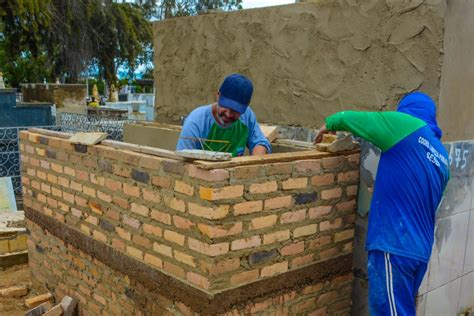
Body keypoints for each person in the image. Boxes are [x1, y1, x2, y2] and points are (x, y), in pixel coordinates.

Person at [314, 92, 449, 316]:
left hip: (394, 245)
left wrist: (330, 123)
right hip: (419, 251)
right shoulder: (441, 155)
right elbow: (428, 199)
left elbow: (360, 120)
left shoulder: (405, 124)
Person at [176, 74, 271, 157]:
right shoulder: (196, 123)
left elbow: (260, 143)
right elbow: (183, 164)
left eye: (236, 110)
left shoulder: (247, 116)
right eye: (226, 106)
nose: (229, 114)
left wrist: (256, 160)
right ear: (218, 95)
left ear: (245, 106)